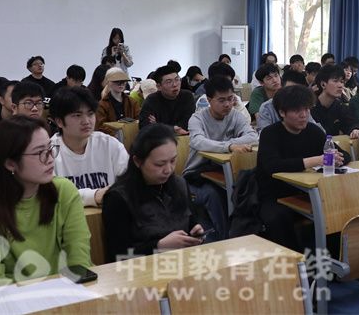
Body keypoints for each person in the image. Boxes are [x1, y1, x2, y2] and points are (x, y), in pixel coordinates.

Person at [0, 116, 92, 285]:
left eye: (50, 149)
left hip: (63, 292)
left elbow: (79, 262)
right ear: (10, 163)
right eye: (40, 153)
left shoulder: (64, 191)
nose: (50, 159)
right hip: (10, 298)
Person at [256, 85, 350, 250]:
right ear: (282, 112)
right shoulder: (270, 134)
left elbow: (344, 155)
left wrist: (338, 159)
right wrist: (316, 160)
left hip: (307, 193)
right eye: (297, 111)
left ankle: (333, 259)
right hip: (275, 195)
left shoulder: (313, 131)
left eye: (307, 109)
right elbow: (272, 166)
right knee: (278, 218)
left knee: (337, 210)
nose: (304, 115)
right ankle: (294, 262)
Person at [103, 123, 213, 262]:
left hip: (183, 263)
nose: (168, 170)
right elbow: (117, 257)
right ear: (137, 161)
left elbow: (191, 221)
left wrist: (195, 231)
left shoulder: (180, 184)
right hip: (142, 270)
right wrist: (159, 246)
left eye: (173, 161)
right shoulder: (118, 198)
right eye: (159, 164)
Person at [184, 76, 258, 237]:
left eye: (230, 99)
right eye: (221, 100)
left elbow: (253, 136)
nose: (227, 104)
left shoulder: (235, 115)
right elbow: (197, 141)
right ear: (209, 100)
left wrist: (227, 143)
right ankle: (226, 238)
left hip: (226, 171)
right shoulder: (197, 118)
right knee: (215, 194)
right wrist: (228, 146)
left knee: (246, 189)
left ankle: (244, 234)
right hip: (196, 176)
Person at [50, 87, 129, 207]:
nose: (86, 121)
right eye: (77, 115)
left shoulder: (110, 145)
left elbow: (130, 184)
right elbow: (50, 194)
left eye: (90, 114)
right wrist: (95, 195)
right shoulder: (48, 151)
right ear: (59, 121)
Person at [256, 70, 324, 133]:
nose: (292, 95)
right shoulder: (267, 107)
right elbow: (264, 134)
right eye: (289, 90)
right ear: (281, 87)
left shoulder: (303, 107)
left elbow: (318, 131)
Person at [139, 65, 196, 135]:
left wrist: (158, 125)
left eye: (177, 79)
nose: (175, 84)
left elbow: (188, 123)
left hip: (183, 138)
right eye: (169, 82)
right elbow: (145, 127)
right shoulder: (151, 100)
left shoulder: (187, 96)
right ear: (159, 86)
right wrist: (172, 129)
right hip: (159, 140)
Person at [311, 65, 359, 139]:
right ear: (323, 84)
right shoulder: (310, 107)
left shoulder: (339, 106)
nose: (340, 85)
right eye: (335, 81)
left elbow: (352, 123)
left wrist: (355, 129)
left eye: (342, 82)